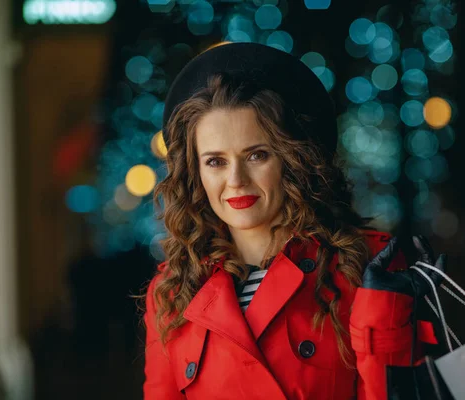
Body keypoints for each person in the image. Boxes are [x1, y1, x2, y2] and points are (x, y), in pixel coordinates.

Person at [143, 42, 447, 400]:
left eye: (256, 155)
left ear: (292, 160)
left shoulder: (365, 266)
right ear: (195, 173)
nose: (236, 179)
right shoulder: (173, 291)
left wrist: (385, 314)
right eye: (215, 161)